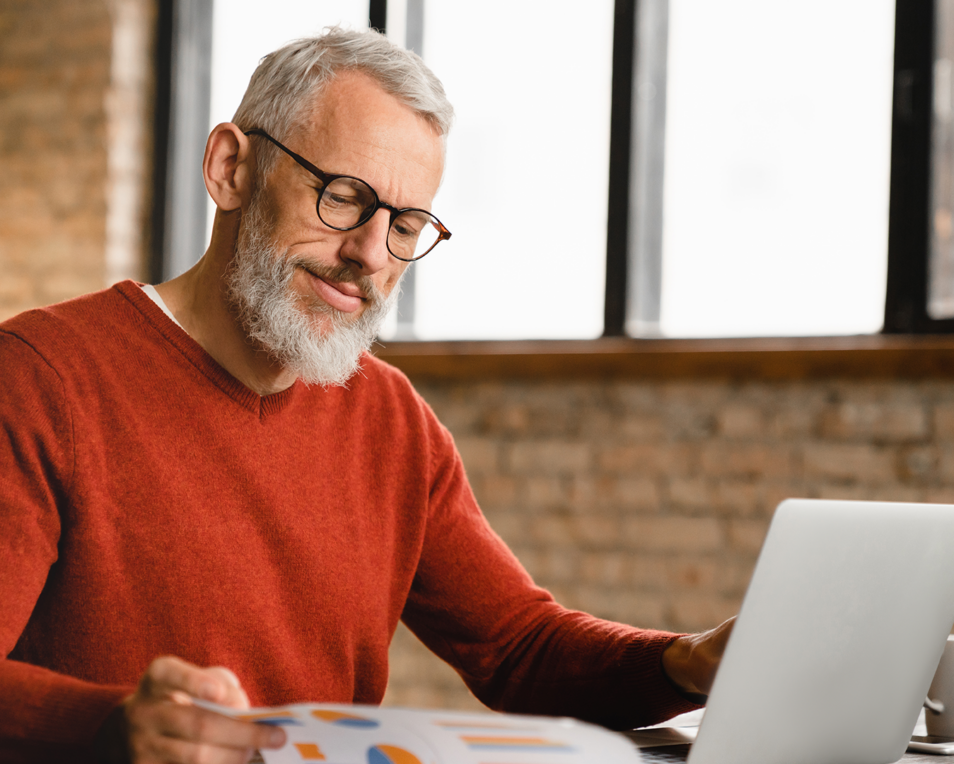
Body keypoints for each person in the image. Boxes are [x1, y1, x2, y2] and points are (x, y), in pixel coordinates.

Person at [0, 27, 733, 764]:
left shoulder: (391, 419)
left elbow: (517, 648)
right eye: (343, 197)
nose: (371, 257)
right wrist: (110, 727)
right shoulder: (41, 378)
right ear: (230, 169)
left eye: (407, 224)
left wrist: (689, 662)